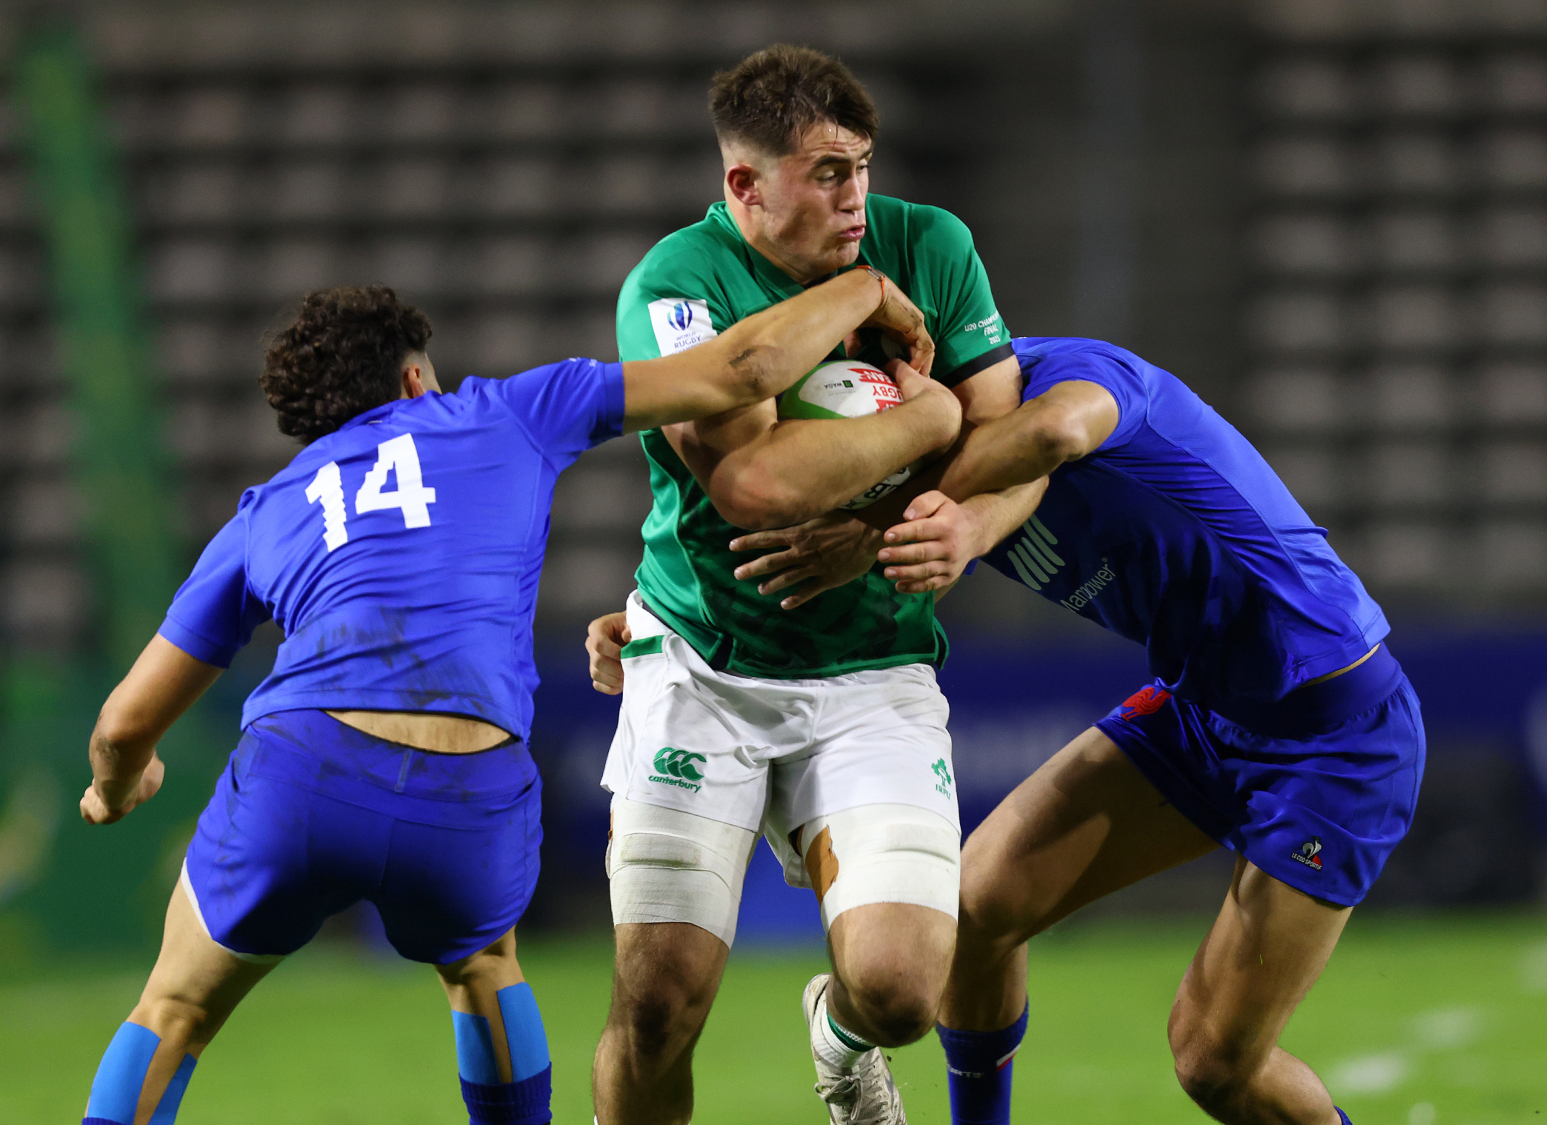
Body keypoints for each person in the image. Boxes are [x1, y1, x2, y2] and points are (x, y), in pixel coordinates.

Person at [69, 271, 942, 1125]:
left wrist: (118, 785)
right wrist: (861, 289)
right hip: (470, 785)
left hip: (306, 770)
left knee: (175, 1007)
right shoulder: (508, 410)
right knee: (484, 966)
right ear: (416, 378)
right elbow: (740, 368)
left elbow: (124, 722)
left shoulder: (266, 509)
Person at [593, 336, 1423, 1125]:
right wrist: (656, 626)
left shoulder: (1073, 375)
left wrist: (887, 503)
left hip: (1336, 728)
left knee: (1214, 1059)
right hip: (1199, 710)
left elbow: (1058, 434)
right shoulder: (922, 480)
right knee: (972, 910)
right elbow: (823, 604)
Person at [594, 43, 1032, 1125]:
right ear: (744, 184)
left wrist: (893, 526)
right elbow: (748, 484)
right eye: (826, 172)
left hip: (872, 667)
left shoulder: (932, 245)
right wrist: (920, 414)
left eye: (862, 168)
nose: (855, 197)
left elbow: (1013, 444)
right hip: (703, 667)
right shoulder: (675, 285)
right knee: (656, 1005)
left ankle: (838, 1041)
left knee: (899, 993)